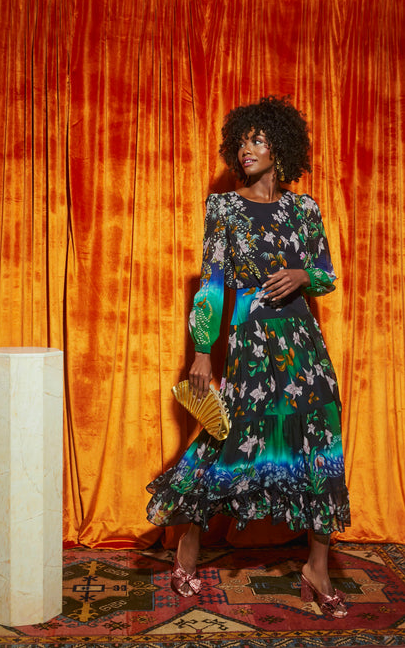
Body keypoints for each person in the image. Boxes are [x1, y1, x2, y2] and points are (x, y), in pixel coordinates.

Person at [146, 95, 351, 618]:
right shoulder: (225, 209)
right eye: (241, 141)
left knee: (322, 440)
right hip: (253, 345)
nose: (246, 150)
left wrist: (303, 275)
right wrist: (202, 352)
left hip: (304, 345)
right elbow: (212, 282)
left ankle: (317, 566)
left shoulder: (305, 209)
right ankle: (189, 542)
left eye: (257, 139)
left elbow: (326, 275)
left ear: (280, 146)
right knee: (228, 439)